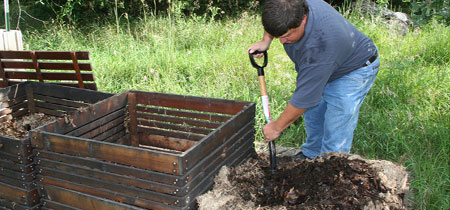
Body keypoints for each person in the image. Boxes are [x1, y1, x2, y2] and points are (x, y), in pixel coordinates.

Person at [248, 0, 380, 159]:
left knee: (336, 128)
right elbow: (273, 19)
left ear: (303, 20)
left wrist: (276, 127)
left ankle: (331, 167)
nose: (282, 42)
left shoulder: (319, 46)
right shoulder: (289, 5)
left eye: (286, 35)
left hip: (354, 70)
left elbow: (303, 100)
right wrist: (266, 40)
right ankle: (311, 155)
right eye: (277, 36)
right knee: (314, 115)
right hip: (326, 64)